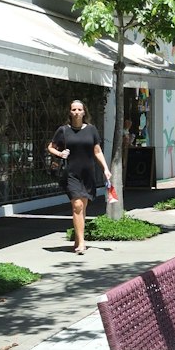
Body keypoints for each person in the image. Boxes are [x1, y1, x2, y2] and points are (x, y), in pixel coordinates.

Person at [48, 99, 112, 255]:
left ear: (84, 112)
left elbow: (97, 151)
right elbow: (51, 147)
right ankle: (82, 243)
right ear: (70, 112)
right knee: (77, 205)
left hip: (87, 173)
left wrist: (105, 168)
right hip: (71, 173)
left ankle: (78, 239)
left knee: (82, 207)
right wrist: (60, 153)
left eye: (79, 110)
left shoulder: (91, 130)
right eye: (74, 110)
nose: (76, 112)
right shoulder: (63, 130)